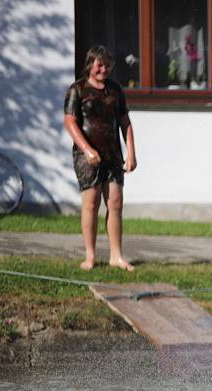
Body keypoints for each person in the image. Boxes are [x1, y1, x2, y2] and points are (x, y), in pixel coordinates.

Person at [63, 46, 137, 271]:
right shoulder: (78, 89)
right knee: (91, 204)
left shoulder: (115, 91)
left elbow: (125, 122)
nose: (104, 69)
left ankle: (116, 256)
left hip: (112, 154)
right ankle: (90, 256)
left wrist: (131, 152)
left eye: (107, 65)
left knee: (115, 203)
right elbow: (70, 122)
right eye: (99, 65)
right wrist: (86, 149)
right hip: (87, 156)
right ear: (90, 65)